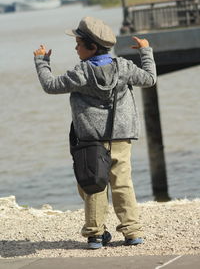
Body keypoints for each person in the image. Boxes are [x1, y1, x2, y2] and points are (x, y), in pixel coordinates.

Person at [34, 16, 156, 250]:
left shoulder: (80, 73)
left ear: (91, 47)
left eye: (79, 43)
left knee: (93, 183)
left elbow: (50, 85)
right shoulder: (124, 67)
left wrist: (42, 61)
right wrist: (146, 51)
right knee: (122, 183)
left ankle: (95, 235)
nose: (75, 47)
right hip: (121, 136)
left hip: (91, 140)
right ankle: (132, 233)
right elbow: (150, 79)